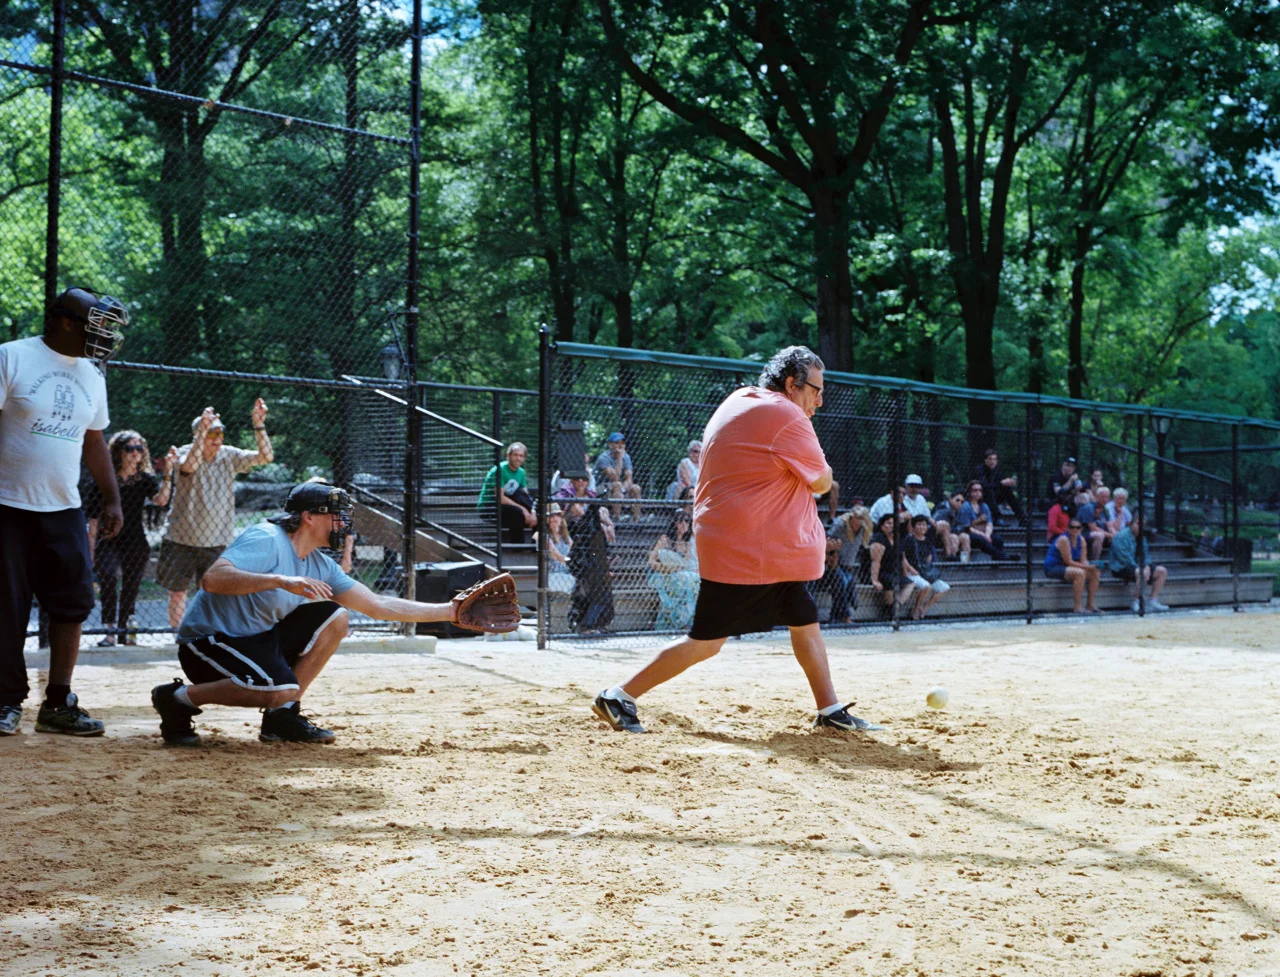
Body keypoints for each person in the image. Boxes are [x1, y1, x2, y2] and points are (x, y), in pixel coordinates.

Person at [590, 345, 882, 734]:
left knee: (803, 616)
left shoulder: (741, 398)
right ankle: (618, 695)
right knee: (706, 642)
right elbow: (822, 480)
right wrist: (816, 469)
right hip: (749, 550)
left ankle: (829, 709)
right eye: (815, 390)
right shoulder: (786, 415)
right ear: (792, 384)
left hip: (748, 543)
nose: (820, 400)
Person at [151, 483, 519, 746]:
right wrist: (281, 580)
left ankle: (282, 718)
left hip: (253, 640)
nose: (344, 522)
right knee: (278, 687)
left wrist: (450, 611)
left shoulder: (320, 565)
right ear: (309, 517)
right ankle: (178, 699)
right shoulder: (266, 539)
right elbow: (213, 579)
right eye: (336, 515)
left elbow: (378, 605)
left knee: (335, 617)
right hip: (208, 642)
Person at [0, 287, 129, 737]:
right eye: (99, 324)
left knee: (72, 604)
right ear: (66, 322)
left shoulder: (93, 375)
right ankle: (5, 700)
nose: (107, 335)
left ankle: (58, 702)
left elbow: (93, 440)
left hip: (64, 508)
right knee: (7, 608)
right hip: (7, 505)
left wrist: (112, 499)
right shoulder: (11, 357)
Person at [158, 402, 274, 629]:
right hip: (181, 537)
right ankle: (179, 637)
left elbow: (265, 457)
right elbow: (189, 466)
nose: (217, 438)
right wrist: (202, 431)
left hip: (217, 540)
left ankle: (206, 636)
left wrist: (259, 426)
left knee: (214, 593)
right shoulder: (184, 452)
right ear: (198, 434)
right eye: (212, 433)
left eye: (220, 432)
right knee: (177, 593)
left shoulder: (229, 455)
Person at [85, 431, 174, 646]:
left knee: (131, 585)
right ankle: (109, 630)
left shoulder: (144, 479)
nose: (136, 453)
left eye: (139, 449)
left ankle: (125, 629)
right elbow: (94, 518)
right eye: (130, 449)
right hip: (108, 538)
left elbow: (161, 500)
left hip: (135, 539)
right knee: (107, 576)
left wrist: (169, 473)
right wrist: (90, 549)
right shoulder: (104, 480)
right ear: (119, 452)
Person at [555, 470, 616, 633]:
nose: (581, 482)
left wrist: (607, 524)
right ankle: (580, 622)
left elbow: (597, 516)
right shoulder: (564, 494)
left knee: (601, 524)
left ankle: (593, 623)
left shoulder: (592, 496)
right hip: (575, 538)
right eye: (577, 479)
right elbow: (561, 519)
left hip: (591, 543)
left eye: (584, 479)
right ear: (572, 481)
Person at [812, 506, 870, 623]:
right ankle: (842, 615)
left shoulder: (864, 529)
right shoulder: (840, 525)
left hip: (846, 565)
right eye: (857, 518)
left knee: (848, 580)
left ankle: (838, 615)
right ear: (851, 517)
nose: (859, 521)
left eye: (862, 518)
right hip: (833, 562)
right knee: (843, 580)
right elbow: (829, 540)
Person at [647, 510, 699, 632]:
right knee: (686, 581)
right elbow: (651, 561)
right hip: (661, 574)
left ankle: (684, 621)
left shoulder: (686, 544)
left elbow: (684, 564)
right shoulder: (665, 539)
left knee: (692, 581)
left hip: (679, 575)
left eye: (687, 521)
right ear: (675, 523)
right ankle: (680, 622)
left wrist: (676, 569)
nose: (685, 524)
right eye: (681, 521)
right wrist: (667, 569)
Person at [1108, 511, 1169, 612]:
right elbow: (1124, 558)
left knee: (1162, 571)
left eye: (1143, 524)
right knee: (1141, 573)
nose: (1140, 526)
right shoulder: (1121, 536)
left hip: (1137, 566)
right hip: (1120, 567)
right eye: (1138, 523)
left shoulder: (1142, 538)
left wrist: (1147, 566)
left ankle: (1152, 600)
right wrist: (1141, 568)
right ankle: (1137, 601)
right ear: (1132, 523)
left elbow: (1146, 555)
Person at [478, 441, 537, 545]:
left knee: (540, 515)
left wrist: (532, 512)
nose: (518, 458)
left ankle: (535, 545)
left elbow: (525, 495)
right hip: (490, 506)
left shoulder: (521, 472)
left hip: (510, 504)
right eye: (515, 455)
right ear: (508, 455)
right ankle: (518, 547)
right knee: (517, 513)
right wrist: (523, 509)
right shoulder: (499, 470)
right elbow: (500, 498)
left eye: (521, 456)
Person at [1043, 516, 1101, 614]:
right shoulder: (1063, 539)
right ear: (1068, 528)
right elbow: (1068, 561)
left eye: (1077, 527)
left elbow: (1084, 560)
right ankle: (1077, 607)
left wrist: (1090, 566)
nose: (1075, 529)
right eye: (1072, 527)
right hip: (1053, 567)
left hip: (1068, 567)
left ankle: (1090, 604)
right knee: (1080, 573)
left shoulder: (1082, 540)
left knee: (1095, 572)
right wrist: (1087, 567)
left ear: (1081, 529)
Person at [902, 514, 950, 620]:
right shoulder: (909, 539)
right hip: (912, 572)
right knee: (926, 586)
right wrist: (910, 569)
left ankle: (924, 607)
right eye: (919, 525)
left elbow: (929, 556)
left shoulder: (927, 540)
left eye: (924, 525)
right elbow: (902, 557)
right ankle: (916, 609)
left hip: (924, 572)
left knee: (944, 588)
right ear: (914, 527)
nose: (922, 527)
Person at [868, 511, 912, 616]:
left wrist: (905, 575)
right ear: (882, 526)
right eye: (888, 523)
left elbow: (902, 559)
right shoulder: (879, 538)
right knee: (890, 581)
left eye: (893, 523)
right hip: (880, 572)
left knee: (910, 583)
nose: (891, 526)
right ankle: (891, 610)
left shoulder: (896, 539)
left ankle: (895, 607)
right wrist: (874, 580)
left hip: (893, 571)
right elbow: (876, 561)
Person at [957, 481, 1015, 560]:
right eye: (975, 490)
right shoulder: (965, 506)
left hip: (984, 532)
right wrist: (983, 535)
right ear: (969, 492)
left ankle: (997, 560)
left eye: (980, 490)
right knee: (981, 540)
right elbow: (967, 527)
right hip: (970, 534)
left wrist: (987, 535)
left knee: (998, 539)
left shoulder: (984, 506)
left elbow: (989, 523)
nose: (978, 493)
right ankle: (1003, 557)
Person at [594, 432, 643, 522]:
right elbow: (615, 477)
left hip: (619, 489)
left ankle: (637, 520)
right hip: (600, 489)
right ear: (610, 444)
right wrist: (620, 458)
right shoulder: (603, 458)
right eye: (617, 443)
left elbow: (629, 478)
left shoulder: (626, 457)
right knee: (617, 484)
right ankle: (617, 518)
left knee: (636, 488)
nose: (620, 445)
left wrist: (622, 490)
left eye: (622, 443)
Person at [974, 448, 1024, 523]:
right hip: (982, 495)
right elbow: (984, 485)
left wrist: (1009, 483)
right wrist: (1001, 483)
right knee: (989, 491)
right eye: (990, 459)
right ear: (985, 460)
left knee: (1008, 491)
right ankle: (998, 518)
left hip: (995, 496)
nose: (992, 461)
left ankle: (1023, 518)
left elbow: (1001, 483)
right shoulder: (979, 469)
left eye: (994, 459)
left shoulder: (997, 470)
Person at [538, 503, 575, 595]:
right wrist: (572, 562)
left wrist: (573, 562)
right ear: (547, 519)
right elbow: (556, 555)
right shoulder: (543, 536)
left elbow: (573, 550)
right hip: (552, 574)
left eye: (558, 515)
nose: (555, 518)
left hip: (567, 573)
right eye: (551, 516)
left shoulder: (566, 537)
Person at [937, 490, 971, 562]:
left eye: (962, 502)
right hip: (940, 538)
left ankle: (965, 562)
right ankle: (951, 561)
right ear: (950, 499)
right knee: (954, 537)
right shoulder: (942, 508)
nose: (959, 503)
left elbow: (961, 526)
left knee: (965, 537)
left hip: (954, 533)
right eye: (957, 500)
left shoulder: (959, 512)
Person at [1073, 490, 1106, 561]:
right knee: (1099, 535)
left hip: (1093, 532)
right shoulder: (1088, 507)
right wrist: (1110, 535)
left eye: (1107, 497)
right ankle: (1094, 561)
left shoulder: (1104, 509)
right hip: (1082, 532)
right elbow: (1093, 528)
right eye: (1103, 497)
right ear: (1096, 497)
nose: (1105, 499)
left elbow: (1109, 524)